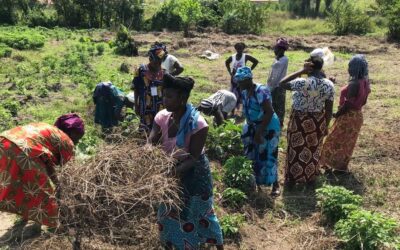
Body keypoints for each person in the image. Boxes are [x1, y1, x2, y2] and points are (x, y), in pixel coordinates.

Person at [149, 74, 223, 250]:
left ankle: (215, 245)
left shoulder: (198, 124)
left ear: (182, 98)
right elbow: (152, 140)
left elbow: (193, 158)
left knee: (199, 213)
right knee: (167, 213)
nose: (164, 99)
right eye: (163, 95)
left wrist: (171, 174)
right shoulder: (162, 117)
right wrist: (147, 152)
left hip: (194, 174)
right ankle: (173, 244)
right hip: (169, 169)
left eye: (169, 96)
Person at [0, 113, 85, 227]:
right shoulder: (66, 140)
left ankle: (25, 215)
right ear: (72, 132)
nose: (77, 142)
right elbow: (69, 174)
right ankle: (54, 224)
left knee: (20, 183)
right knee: (41, 191)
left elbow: (48, 165)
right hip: (24, 149)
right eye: (78, 137)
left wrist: (58, 184)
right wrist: (69, 193)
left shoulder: (49, 131)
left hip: (5, 142)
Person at [279, 57, 334, 185]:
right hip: (318, 120)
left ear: (310, 67)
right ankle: (309, 177)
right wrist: (326, 125)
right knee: (313, 148)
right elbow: (329, 110)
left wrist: (301, 71)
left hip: (300, 120)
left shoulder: (302, 82)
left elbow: (281, 83)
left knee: (295, 147)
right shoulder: (329, 85)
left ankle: (293, 179)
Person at [320, 55, 370, 172]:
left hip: (347, 116)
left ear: (355, 68)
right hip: (357, 115)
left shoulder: (354, 84)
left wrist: (337, 114)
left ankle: (326, 163)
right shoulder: (365, 82)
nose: (348, 69)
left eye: (350, 66)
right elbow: (364, 101)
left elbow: (347, 104)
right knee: (347, 143)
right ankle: (340, 166)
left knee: (333, 139)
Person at [235, 67, 281, 196]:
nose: (238, 84)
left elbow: (269, 112)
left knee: (269, 154)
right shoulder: (244, 91)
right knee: (252, 154)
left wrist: (259, 132)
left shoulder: (261, 90)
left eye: (240, 81)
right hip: (253, 126)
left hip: (268, 127)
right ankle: (256, 183)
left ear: (248, 80)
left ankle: (275, 185)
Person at [132, 44, 165, 132]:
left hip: (160, 106)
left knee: (159, 129)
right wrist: (136, 104)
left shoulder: (164, 72)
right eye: (156, 62)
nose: (158, 64)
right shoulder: (140, 70)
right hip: (145, 106)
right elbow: (136, 88)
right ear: (150, 59)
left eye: (160, 62)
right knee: (145, 129)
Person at [225, 42, 259, 115]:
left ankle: (244, 112)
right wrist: (230, 72)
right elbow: (227, 62)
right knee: (233, 95)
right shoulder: (233, 57)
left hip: (243, 80)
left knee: (243, 95)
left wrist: (249, 70)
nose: (239, 50)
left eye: (241, 48)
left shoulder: (245, 56)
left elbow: (256, 61)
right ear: (236, 49)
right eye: (238, 48)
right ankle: (232, 112)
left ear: (243, 49)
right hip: (234, 80)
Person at [267, 38, 289, 126]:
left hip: (278, 86)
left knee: (279, 106)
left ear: (280, 50)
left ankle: (280, 123)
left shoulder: (284, 59)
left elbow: (276, 75)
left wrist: (270, 87)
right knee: (272, 104)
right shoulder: (278, 59)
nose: (274, 51)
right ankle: (273, 121)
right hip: (272, 85)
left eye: (275, 49)